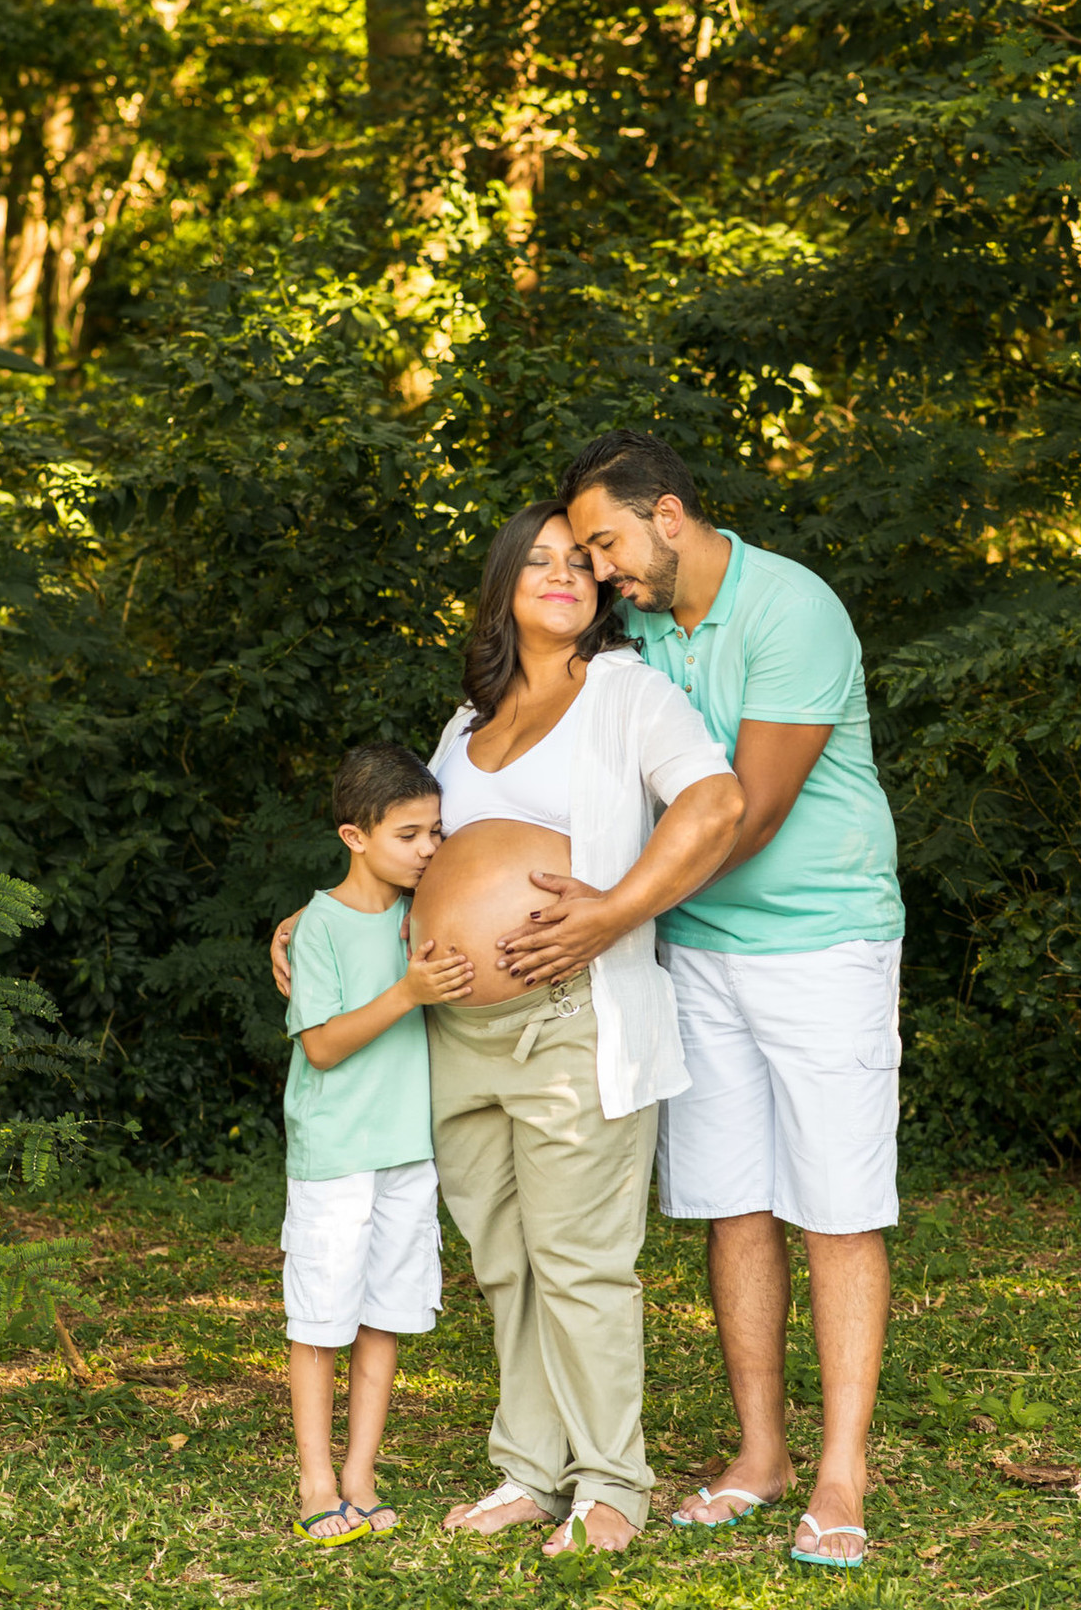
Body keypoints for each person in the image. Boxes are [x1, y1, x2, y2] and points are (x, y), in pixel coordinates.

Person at [273, 501, 744, 1556]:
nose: (562, 574)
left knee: (580, 1258)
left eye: (582, 560)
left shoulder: (631, 697)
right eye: (537, 560)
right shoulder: (466, 724)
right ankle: (533, 1469)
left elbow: (712, 807)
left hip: (571, 1020)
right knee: (505, 1259)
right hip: (455, 1034)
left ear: (604, 589)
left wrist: (614, 913)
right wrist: (315, 919)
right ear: (503, 588)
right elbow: (415, 862)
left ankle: (613, 1483)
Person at [499, 432, 904, 1570]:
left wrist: (614, 909)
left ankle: (841, 1472)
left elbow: (751, 811)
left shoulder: (792, 609)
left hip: (824, 941)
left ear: (669, 515)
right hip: (696, 953)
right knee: (733, 1204)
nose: (599, 569)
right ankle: (762, 1454)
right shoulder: (637, 637)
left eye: (610, 543)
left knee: (835, 1207)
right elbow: (532, 774)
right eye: (584, 551)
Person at [281, 742, 474, 1549]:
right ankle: (315, 1479)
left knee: (385, 1313)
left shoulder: (422, 916)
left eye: (435, 832)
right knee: (321, 1318)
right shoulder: (319, 925)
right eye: (409, 835)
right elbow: (321, 1047)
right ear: (354, 837)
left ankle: (361, 1472)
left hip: (407, 1148)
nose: (429, 850)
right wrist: (407, 992)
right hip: (334, 1151)